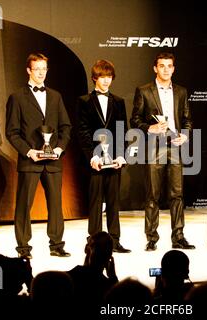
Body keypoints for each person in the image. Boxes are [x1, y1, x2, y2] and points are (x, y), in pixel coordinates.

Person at [6, 53, 72, 259]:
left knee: (55, 204)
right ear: (28, 70)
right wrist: (29, 151)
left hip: (53, 161)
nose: (41, 73)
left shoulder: (55, 96)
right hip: (30, 160)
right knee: (24, 205)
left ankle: (57, 245)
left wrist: (60, 148)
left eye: (44, 69)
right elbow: (12, 132)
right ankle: (23, 249)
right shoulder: (17, 97)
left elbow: (65, 127)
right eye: (37, 69)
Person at [130, 52, 195, 251]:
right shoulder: (144, 91)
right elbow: (135, 120)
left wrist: (185, 134)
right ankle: (151, 238)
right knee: (152, 195)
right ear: (155, 68)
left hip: (175, 146)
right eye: (162, 65)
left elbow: (187, 119)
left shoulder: (181, 91)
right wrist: (149, 128)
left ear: (173, 69)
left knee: (177, 194)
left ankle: (178, 237)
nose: (166, 69)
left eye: (169, 66)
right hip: (153, 148)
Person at [77, 60, 130, 253]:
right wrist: (93, 156)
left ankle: (114, 240)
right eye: (102, 77)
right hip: (95, 161)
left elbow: (123, 130)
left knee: (114, 202)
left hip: (114, 160)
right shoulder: (84, 101)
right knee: (95, 202)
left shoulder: (119, 101)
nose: (106, 81)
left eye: (109, 77)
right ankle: (93, 242)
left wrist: (121, 156)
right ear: (94, 78)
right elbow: (82, 131)